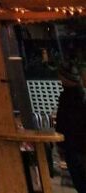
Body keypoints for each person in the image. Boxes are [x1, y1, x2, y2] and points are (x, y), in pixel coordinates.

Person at [55, 63, 86, 193]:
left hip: (73, 145)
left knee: (80, 181)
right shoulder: (81, 94)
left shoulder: (67, 97)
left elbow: (62, 123)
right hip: (81, 145)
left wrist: (60, 144)